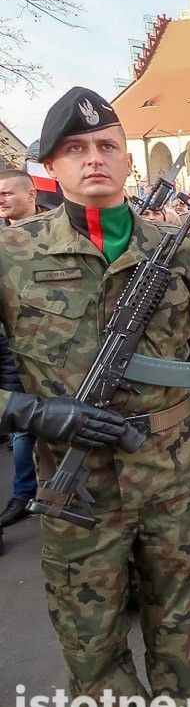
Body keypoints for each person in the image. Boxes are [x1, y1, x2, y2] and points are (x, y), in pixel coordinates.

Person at [0, 87, 190, 707]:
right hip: (77, 492)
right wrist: (32, 412)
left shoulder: (184, 248)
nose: (94, 158)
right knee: (93, 651)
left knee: (180, 639)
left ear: (129, 160)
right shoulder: (13, 256)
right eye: (76, 148)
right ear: (51, 165)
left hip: (171, 484)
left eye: (107, 145)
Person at [0, 170, 40, 530]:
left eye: (8, 193)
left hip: (57, 353)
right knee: (23, 429)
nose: (1, 200)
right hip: (12, 352)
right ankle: (24, 494)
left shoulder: (53, 237)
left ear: (31, 195)